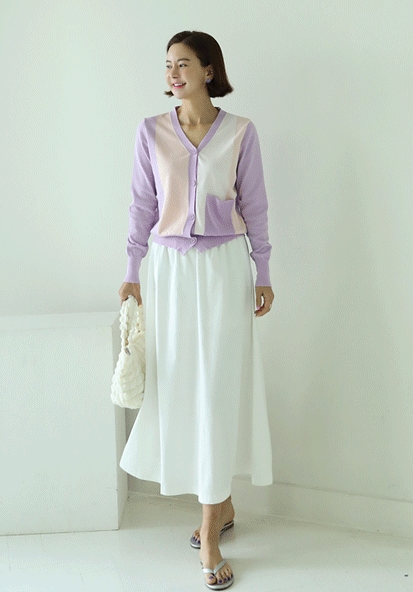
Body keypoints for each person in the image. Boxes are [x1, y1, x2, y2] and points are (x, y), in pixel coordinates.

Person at [118, 30, 274, 590]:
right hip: (168, 272)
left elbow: (255, 205)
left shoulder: (240, 132)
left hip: (225, 269)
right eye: (168, 65)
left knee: (218, 386)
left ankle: (209, 533)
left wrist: (264, 270)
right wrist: (132, 270)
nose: (173, 74)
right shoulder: (152, 132)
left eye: (183, 64)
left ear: (209, 70)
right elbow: (142, 205)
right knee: (182, 386)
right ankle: (222, 504)